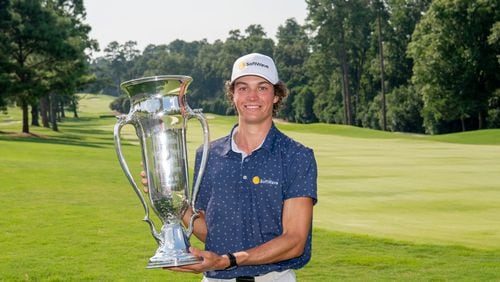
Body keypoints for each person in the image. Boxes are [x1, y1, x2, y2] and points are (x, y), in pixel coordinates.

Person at [143, 53, 318, 282]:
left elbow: (294, 241)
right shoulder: (209, 155)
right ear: (233, 94)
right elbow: (212, 232)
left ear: (276, 95)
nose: (252, 96)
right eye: (243, 88)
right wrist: (170, 198)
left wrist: (229, 260)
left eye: (262, 88)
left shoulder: (296, 156)